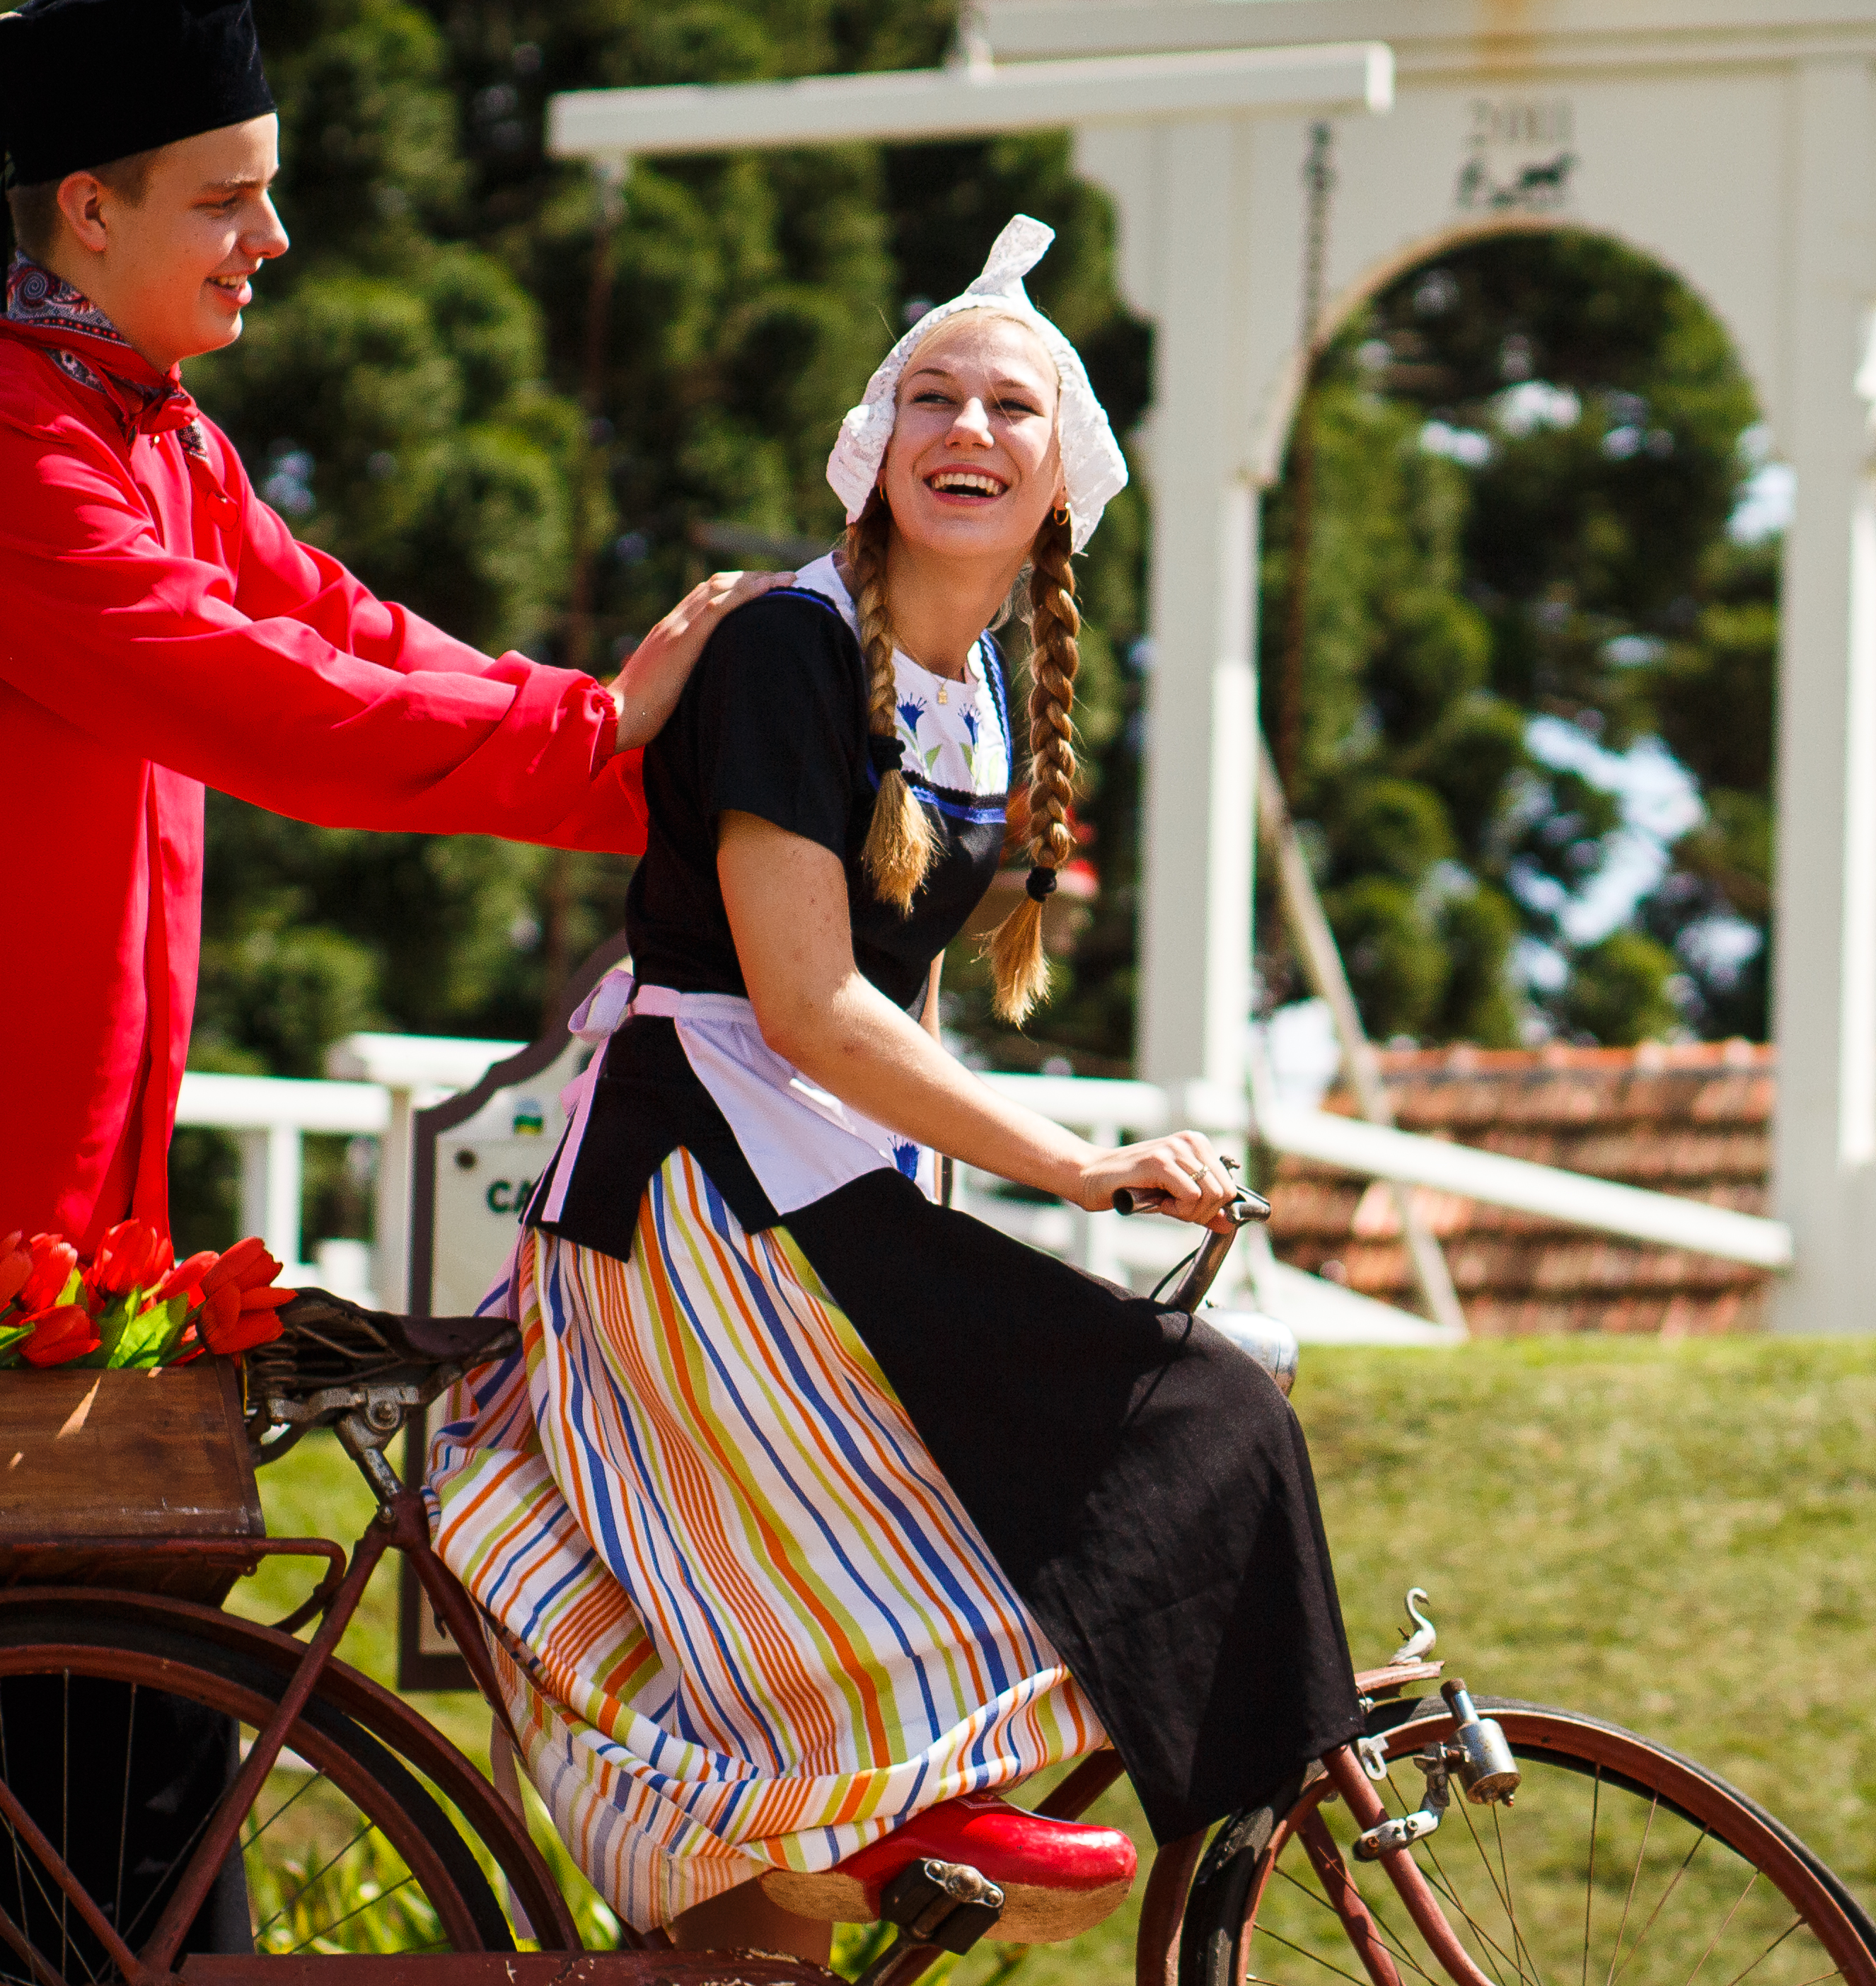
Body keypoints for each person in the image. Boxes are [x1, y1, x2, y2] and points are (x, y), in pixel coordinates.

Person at [0, 0, 767, 1847]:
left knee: (119, 1791)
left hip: (61, 1221)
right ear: (85, 212)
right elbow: (268, 702)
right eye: (224, 195)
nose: (272, 234)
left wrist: (648, 772)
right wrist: (606, 744)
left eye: (269, 183)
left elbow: (347, 629)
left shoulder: (164, 439)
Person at [434, 217, 1361, 1951]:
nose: (968, 429)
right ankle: (892, 1808)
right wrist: (1078, 1172)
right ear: (876, 453)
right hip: (693, 1208)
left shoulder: (983, 692)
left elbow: (906, 1000)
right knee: (1191, 1422)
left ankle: (909, 1817)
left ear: (1059, 479)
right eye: (930, 397)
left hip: (814, 1190)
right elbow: (806, 1004)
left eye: (1010, 408)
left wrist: (959, 1208)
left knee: (1185, 1403)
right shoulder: (796, 648)